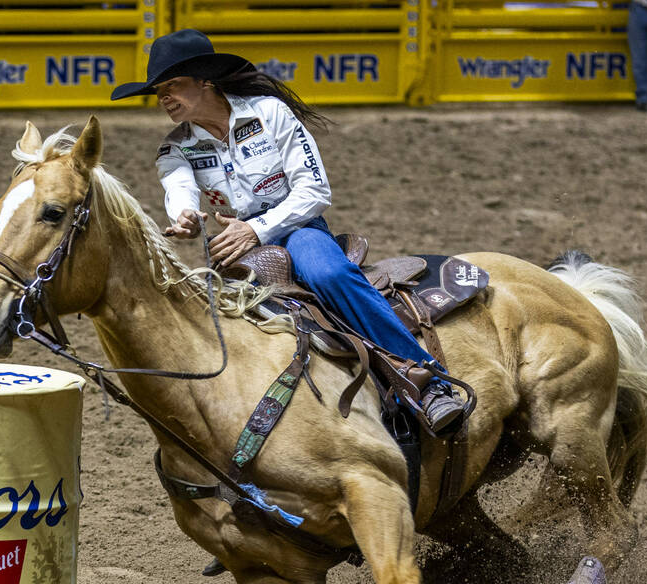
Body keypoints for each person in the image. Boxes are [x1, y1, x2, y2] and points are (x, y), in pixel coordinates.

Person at [110, 29, 465, 435]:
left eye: (172, 86)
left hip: (297, 228)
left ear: (204, 80)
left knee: (330, 275)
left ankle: (430, 381)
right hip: (231, 249)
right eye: (159, 92)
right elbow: (179, 188)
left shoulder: (270, 114)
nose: (164, 99)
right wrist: (187, 215)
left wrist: (256, 230)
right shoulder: (174, 148)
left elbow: (314, 191)